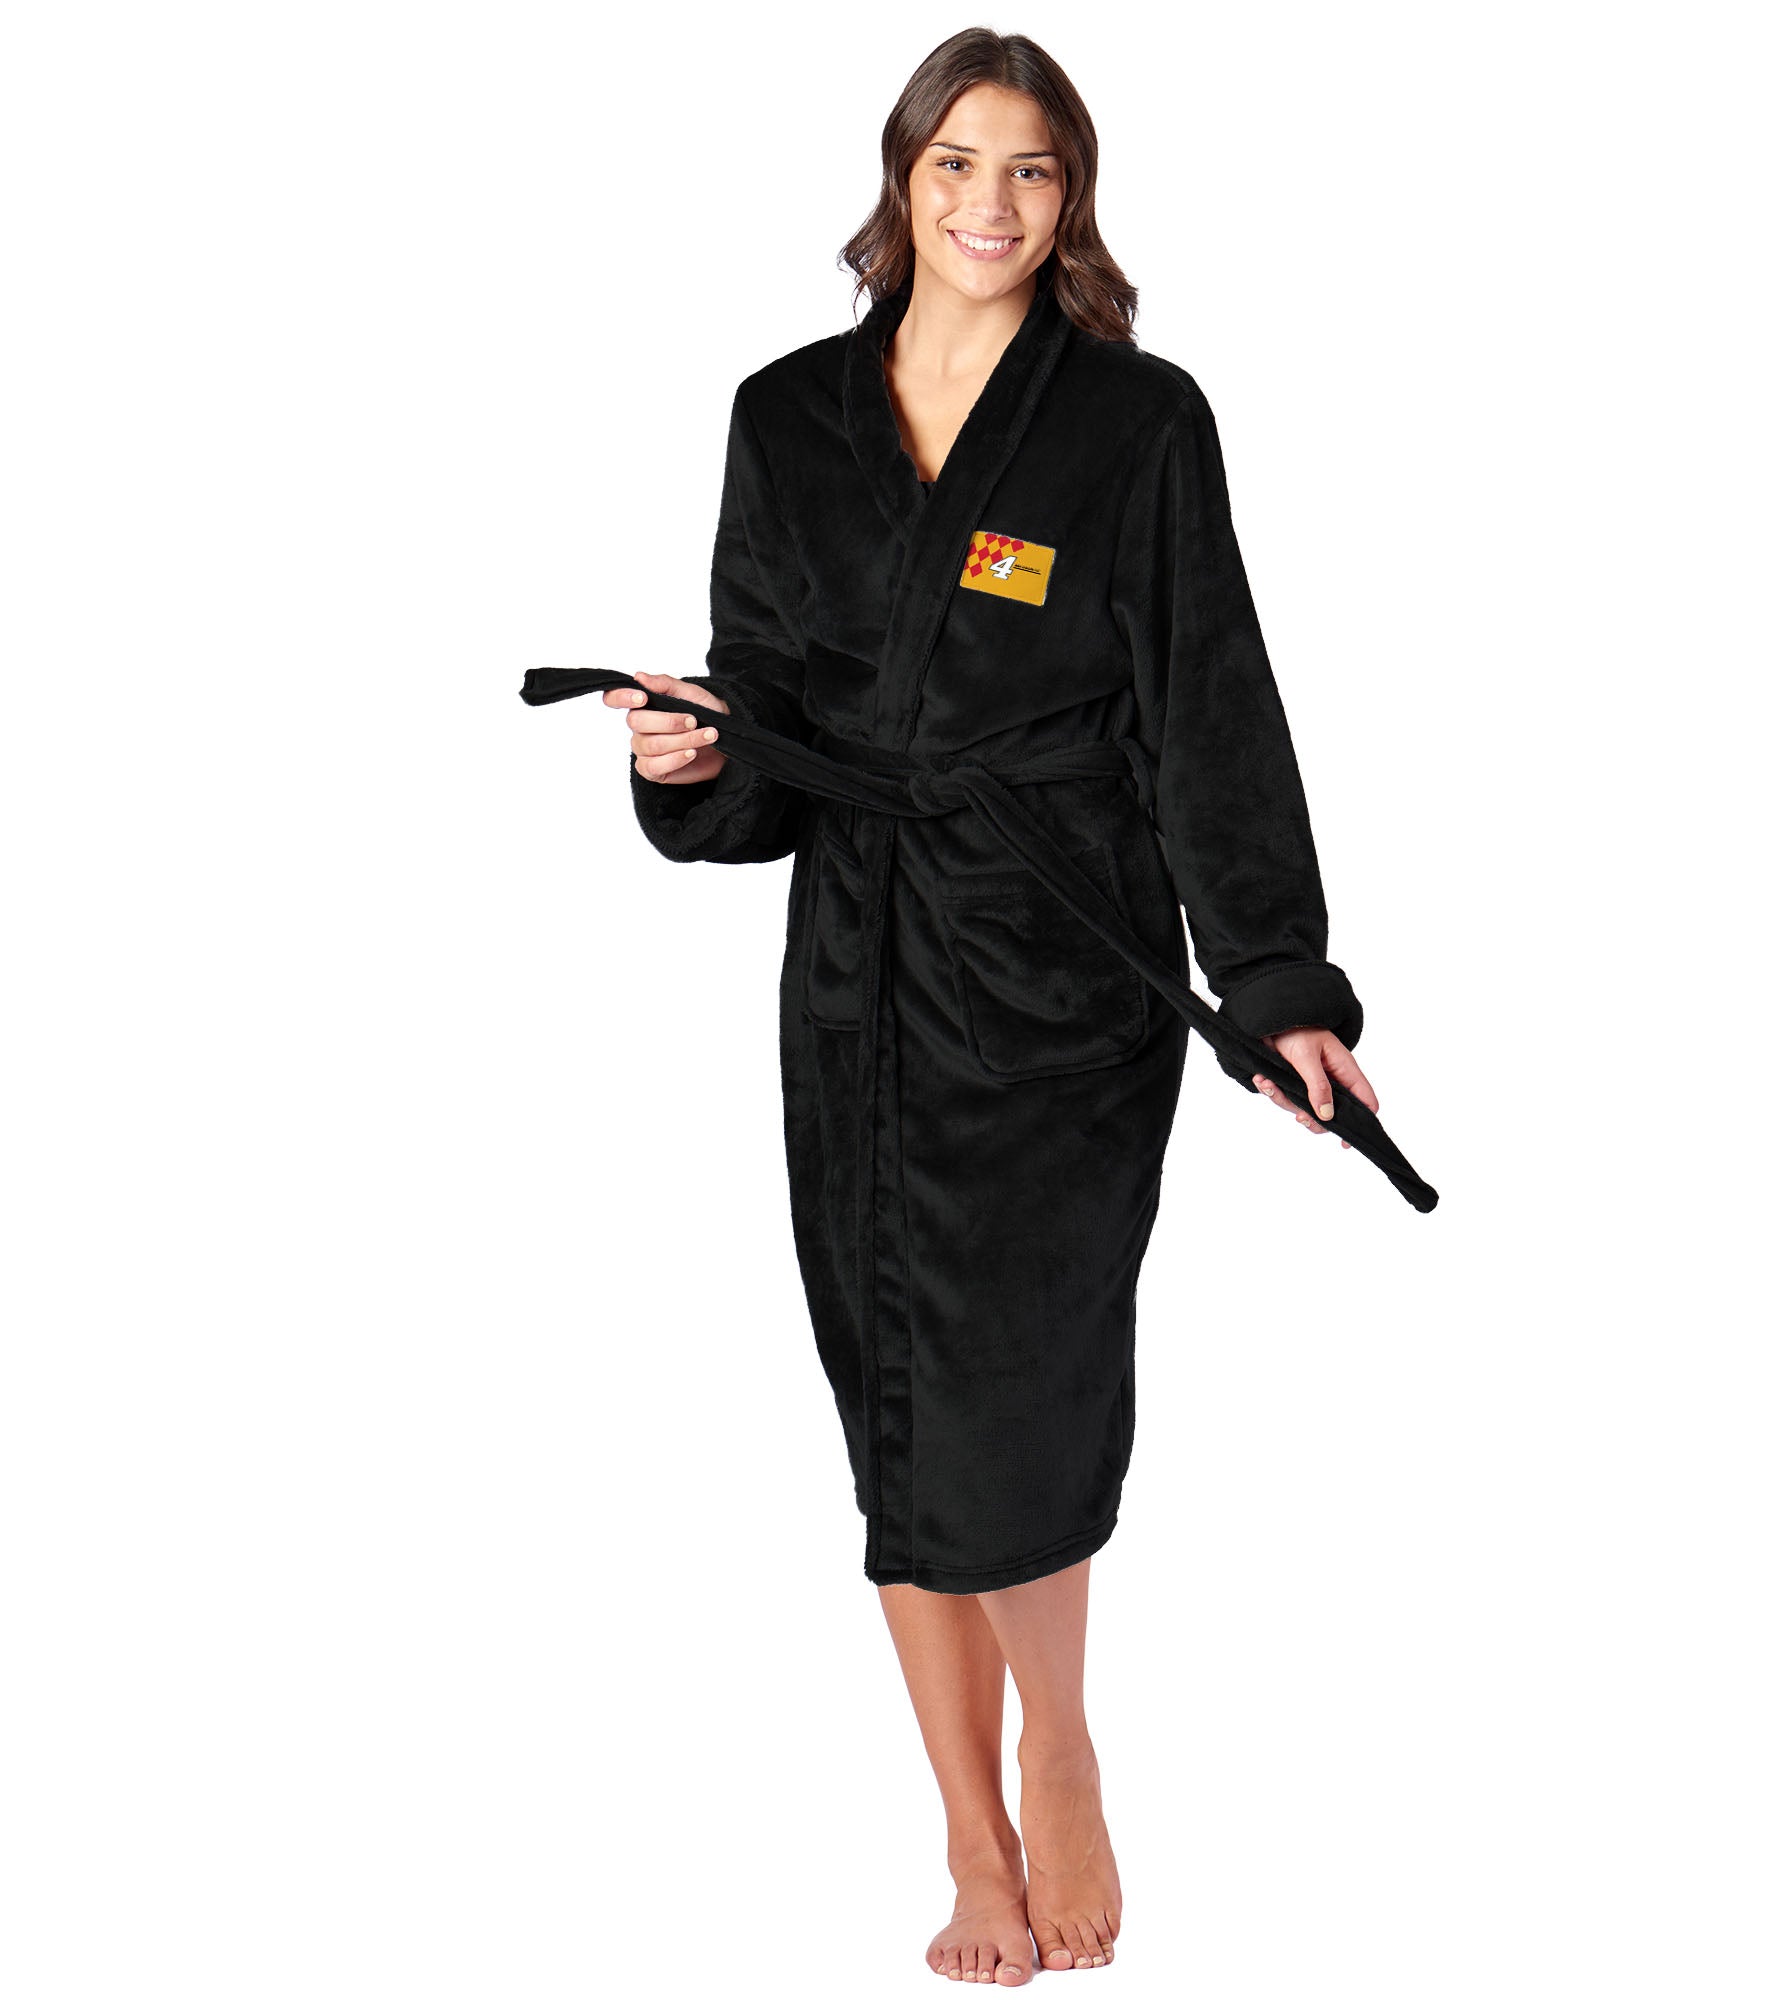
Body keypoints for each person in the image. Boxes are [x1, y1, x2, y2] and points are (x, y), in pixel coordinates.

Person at [591, 30, 1385, 1984]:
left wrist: (1276, 980)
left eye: (1031, 169)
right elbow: (770, 722)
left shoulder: (1136, 423)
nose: (991, 203)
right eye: (958, 162)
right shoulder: (787, 415)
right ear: (902, 176)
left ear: (1071, 195)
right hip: (860, 982)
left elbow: (1210, 708)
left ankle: (1066, 1749)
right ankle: (966, 1828)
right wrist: (695, 758)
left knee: (1024, 1398)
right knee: (896, 1411)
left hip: (1060, 978)